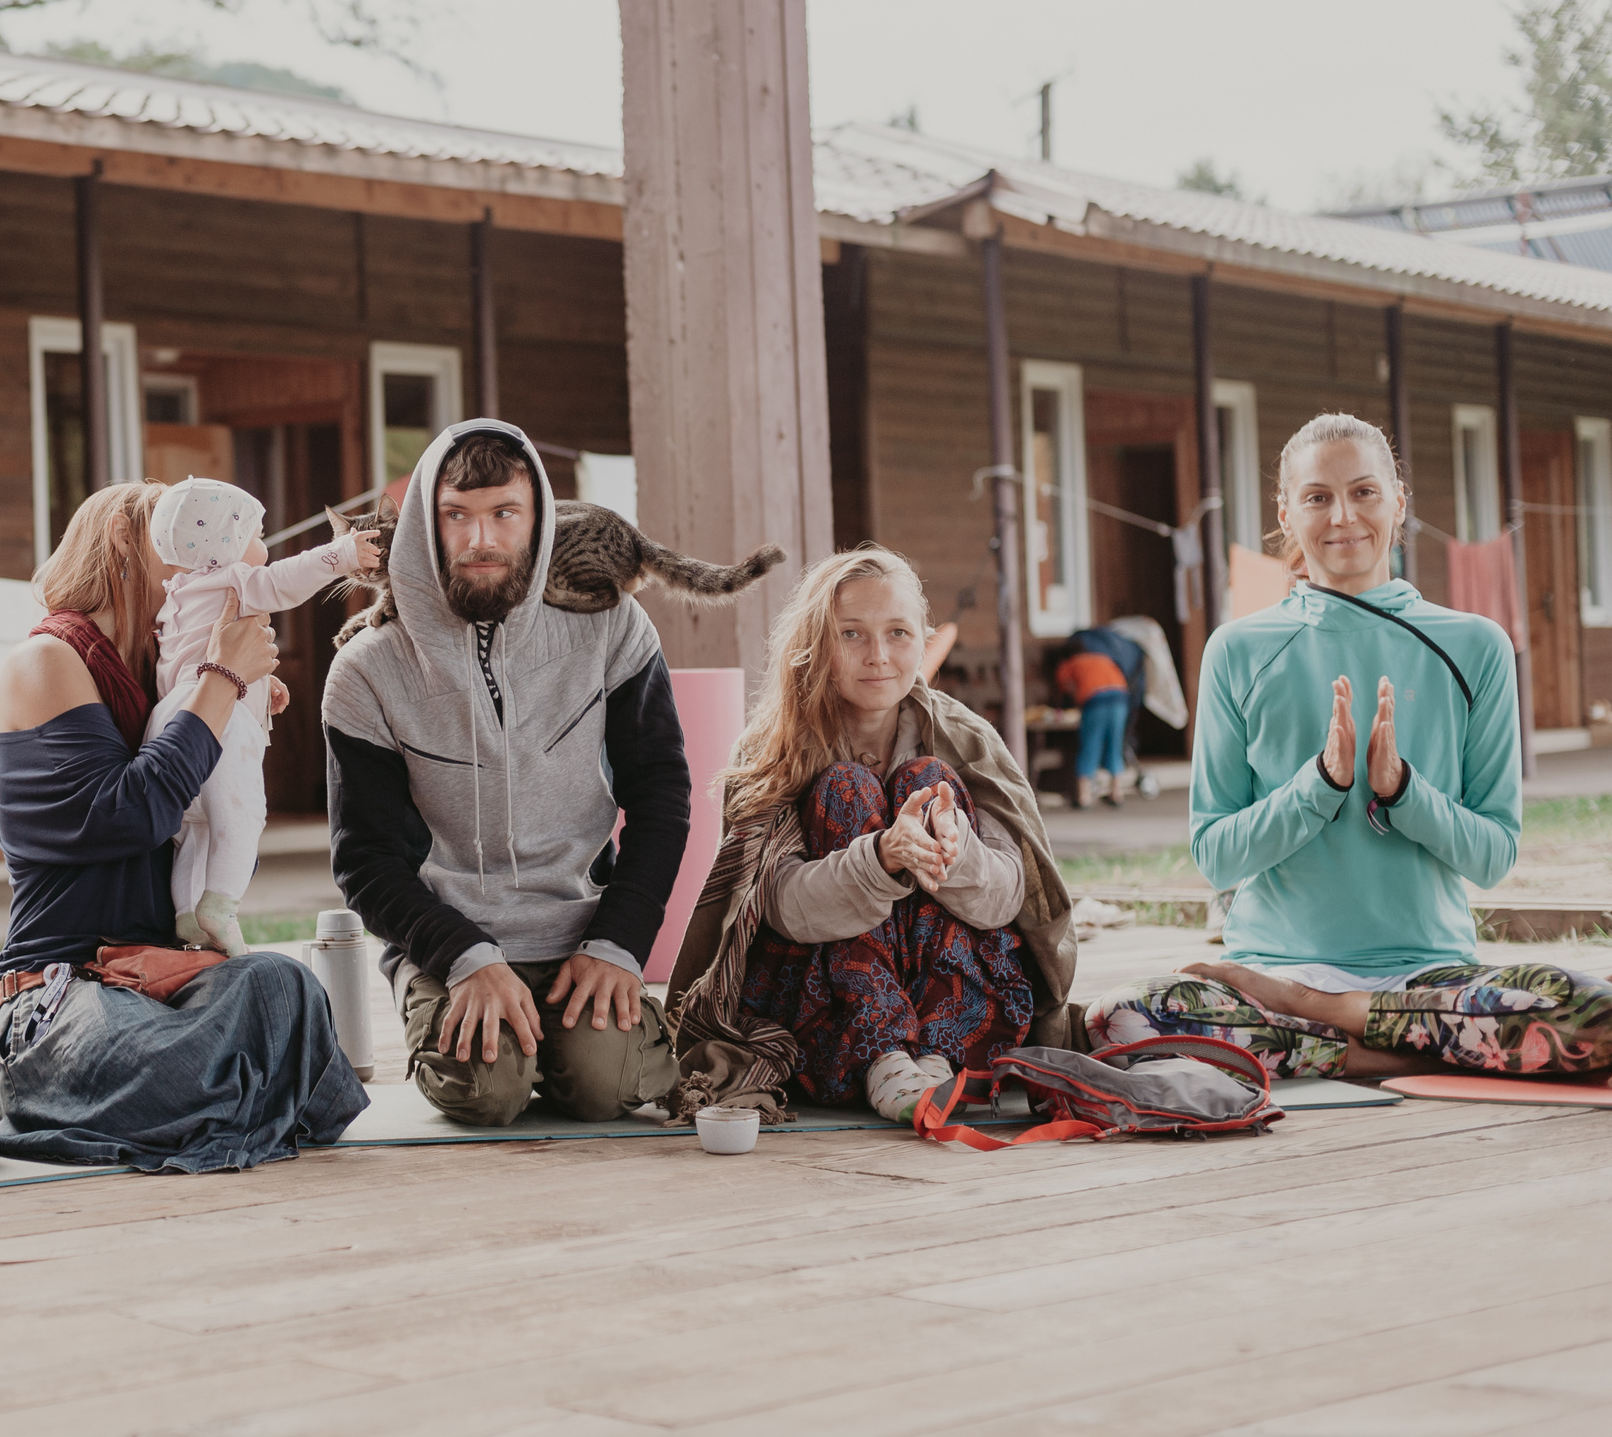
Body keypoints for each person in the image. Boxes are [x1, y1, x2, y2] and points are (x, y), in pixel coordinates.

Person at [1090, 412, 1611, 1077]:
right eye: (1317, 496)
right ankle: (1400, 1045)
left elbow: (1493, 854)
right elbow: (1215, 854)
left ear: (1399, 502)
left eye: (1364, 491)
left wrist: (1403, 792)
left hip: (1428, 977)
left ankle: (1334, 1023)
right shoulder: (1237, 648)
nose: (1343, 515)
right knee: (1121, 1016)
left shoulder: (1474, 646)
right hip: (1271, 971)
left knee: (1595, 1013)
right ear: (1286, 512)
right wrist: (1319, 787)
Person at [0, 481, 368, 1173]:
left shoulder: (159, 683)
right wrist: (219, 680)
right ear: (127, 551)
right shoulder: (45, 661)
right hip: (62, 994)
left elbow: (207, 800)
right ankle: (232, 1098)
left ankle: (212, 1102)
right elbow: (133, 814)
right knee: (159, 1056)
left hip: (159, 982)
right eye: (187, 549)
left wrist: (234, 704)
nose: (208, 570)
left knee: (283, 986)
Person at [323, 422, 688, 1127]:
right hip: (449, 941)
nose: (479, 540)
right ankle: (479, 1030)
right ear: (424, 524)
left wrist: (619, 944)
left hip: (581, 930)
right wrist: (461, 956)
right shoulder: (365, 669)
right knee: (489, 1092)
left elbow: (661, 794)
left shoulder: (614, 627)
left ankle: (580, 1040)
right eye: (455, 515)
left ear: (539, 518)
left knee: (604, 1085)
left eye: (503, 514)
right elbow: (363, 860)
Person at [664, 546, 1076, 1123]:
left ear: (924, 639)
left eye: (898, 633)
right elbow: (775, 908)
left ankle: (934, 1059)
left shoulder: (965, 739)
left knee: (929, 781)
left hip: (957, 1015)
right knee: (843, 788)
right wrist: (879, 860)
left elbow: (1012, 897)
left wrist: (955, 855)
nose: (878, 656)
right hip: (827, 1016)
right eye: (851, 634)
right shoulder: (773, 748)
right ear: (815, 645)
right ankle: (885, 1056)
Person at [143, 476, 376, 954]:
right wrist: (344, 555)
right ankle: (222, 906)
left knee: (196, 828)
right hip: (221, 723)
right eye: (256, 535)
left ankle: (187, 913)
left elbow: (186, 666)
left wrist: (261, 682)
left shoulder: (179, 595)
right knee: (241, 816)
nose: (264, 545)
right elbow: (286, 581)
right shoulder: (234, 580)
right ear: (224, 546)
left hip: (174, 719)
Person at [1057, 639, 1133, 808]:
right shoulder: (1103, 658)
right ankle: (1116, 792)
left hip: (1095, 702)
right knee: (1115, 745)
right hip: (1120, 700)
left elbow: (1068, 688)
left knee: (1090, 746)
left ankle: (1084, 797)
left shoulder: (1068, 664)